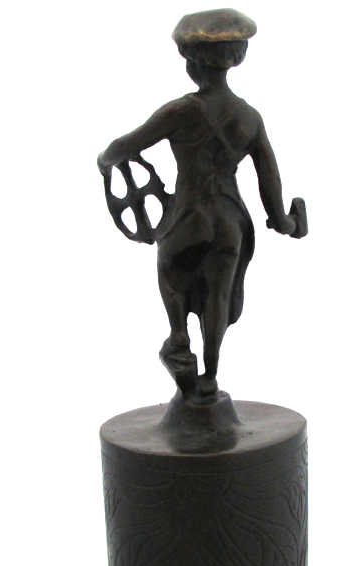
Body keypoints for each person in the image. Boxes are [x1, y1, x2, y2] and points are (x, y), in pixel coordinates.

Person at [97, 9, 306, 399]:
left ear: (192, 63)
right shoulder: (250, 118)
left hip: (189, 215)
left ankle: (178, 335)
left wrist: (105, 161)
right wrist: (288, 222)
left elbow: (123, 147)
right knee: (218, 298)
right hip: (230, 220)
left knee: (169, 269)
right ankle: (209, 376)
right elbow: (270, 186)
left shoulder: (180, 111)